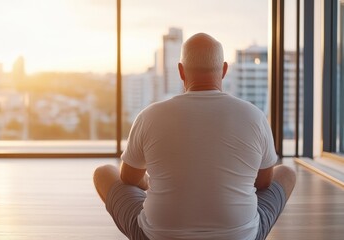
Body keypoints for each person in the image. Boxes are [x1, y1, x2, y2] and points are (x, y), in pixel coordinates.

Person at [93, 33, 296, 240]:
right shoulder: (254, 116)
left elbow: (128, 177)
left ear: (181, 71)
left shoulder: (149, 115)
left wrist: (149, 183)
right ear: (224, 70)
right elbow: (263, 183)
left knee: (104, 173)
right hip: (240, 236)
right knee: (286, 173)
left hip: (157, 236)